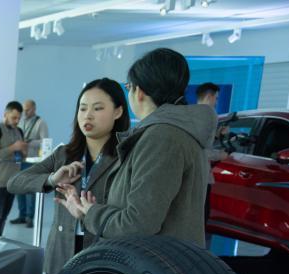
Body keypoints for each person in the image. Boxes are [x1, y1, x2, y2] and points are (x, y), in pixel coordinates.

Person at [56, 48, 216, 247]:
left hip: (153, 260)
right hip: (162, 258)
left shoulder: (161, 138)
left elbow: (137, 224)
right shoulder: (175, 133)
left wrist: (91, 212)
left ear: (138, 92)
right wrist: (88, 213)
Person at [7, 79, 130, 274]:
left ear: (118, 112)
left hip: (103, 257)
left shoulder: (126, 157)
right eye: (83, 108)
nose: (88, 115)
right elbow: (14, 182)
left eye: (98, 108)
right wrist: (52, 179)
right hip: (60, 256)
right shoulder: (64, 154)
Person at [0, 101, 27, 255]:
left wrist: (23, 151)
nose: (16, 121)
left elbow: (20, 157)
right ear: (5, 114)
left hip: (12, 181)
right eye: (14, 117)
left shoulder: (19, 131)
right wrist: (13, 148)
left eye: (19, 118)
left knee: (4, 215)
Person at [10, 99, 50, 227]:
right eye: (24, 110)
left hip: (32, 161)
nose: (25, 112)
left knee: (30, 190)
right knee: (19, 188)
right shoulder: (21, 121)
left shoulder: (41, 122)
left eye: (27, 110)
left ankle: (29, 217)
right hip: (19, 159)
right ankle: (21, 215)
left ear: (34, 109)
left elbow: (45, 141)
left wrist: (30, 142)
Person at [196, 82, 228, 225]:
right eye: (216, 98)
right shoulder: (208, 115)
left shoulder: (191, 115)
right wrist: (221, 155)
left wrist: (216, 135)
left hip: (194, 175)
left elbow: (201, 141)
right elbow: (199, 149)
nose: (216, 102)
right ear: (209, 96)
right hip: (201, 177)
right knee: (202, 217)